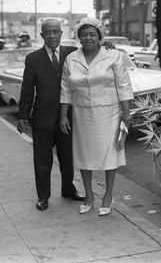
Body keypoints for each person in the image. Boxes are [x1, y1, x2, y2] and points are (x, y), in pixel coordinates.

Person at [59, 17, 133, 216]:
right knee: (85, 156)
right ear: (78, 38)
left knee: (109, 155)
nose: (88, 38)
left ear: (100, 36)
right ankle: (89, 195)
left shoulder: (113, 55)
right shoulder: (71, 59)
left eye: (92, 34)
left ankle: (108, 195)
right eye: (84, 34)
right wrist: (63, 115)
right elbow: (66, 89)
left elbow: (123, 85)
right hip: (82, 113)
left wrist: (126, 113)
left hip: (109, 113)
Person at [17, 18, 85, 211]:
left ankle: (68, 189)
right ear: (42, 35)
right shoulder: (33, 59)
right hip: (42, 118)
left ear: (61, 33)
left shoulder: (72, 54)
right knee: (42, 160)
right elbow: (27, 89)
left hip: (67, 116)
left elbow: (93, 50)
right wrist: (23, 115)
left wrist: (108, 46)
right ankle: (43, 196)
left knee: (67, 158)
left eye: (56, 31)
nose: (52, 35)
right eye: (48, 32)